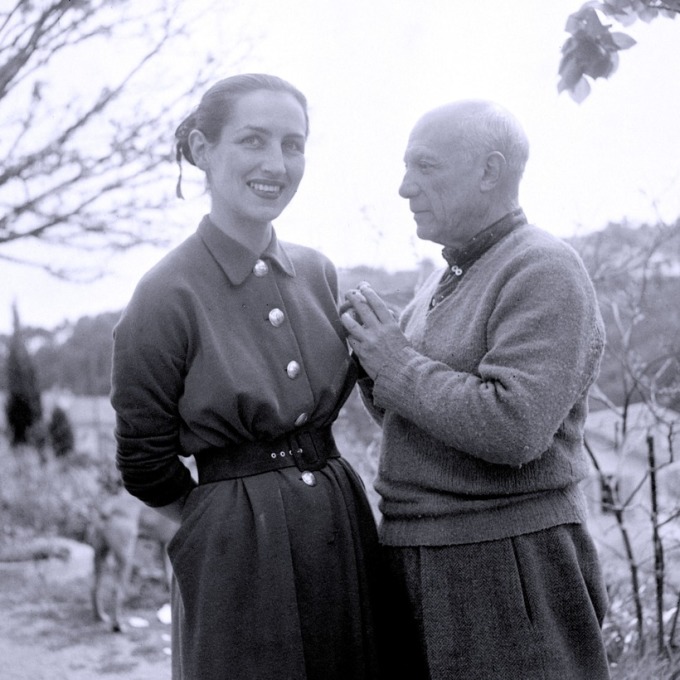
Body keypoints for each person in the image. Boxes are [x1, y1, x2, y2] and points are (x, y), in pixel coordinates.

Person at [110, 73, 384, 680]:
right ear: (203, 150)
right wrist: (223, 522)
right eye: (253, 141)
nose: (276, 164)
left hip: (341, 525)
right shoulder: (164, 294)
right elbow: (143, 463)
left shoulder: (318, 272)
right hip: (235, 548)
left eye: (293, 144)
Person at [341, 100, 611, 679]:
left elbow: (513, 426)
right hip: (420, 555)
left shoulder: (543, 268)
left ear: (489, 171)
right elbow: (417, 419)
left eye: (425, 166)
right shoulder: (445, 274)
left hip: (508, 565)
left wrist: (396, 361)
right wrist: (373, 360)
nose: (404, 187)